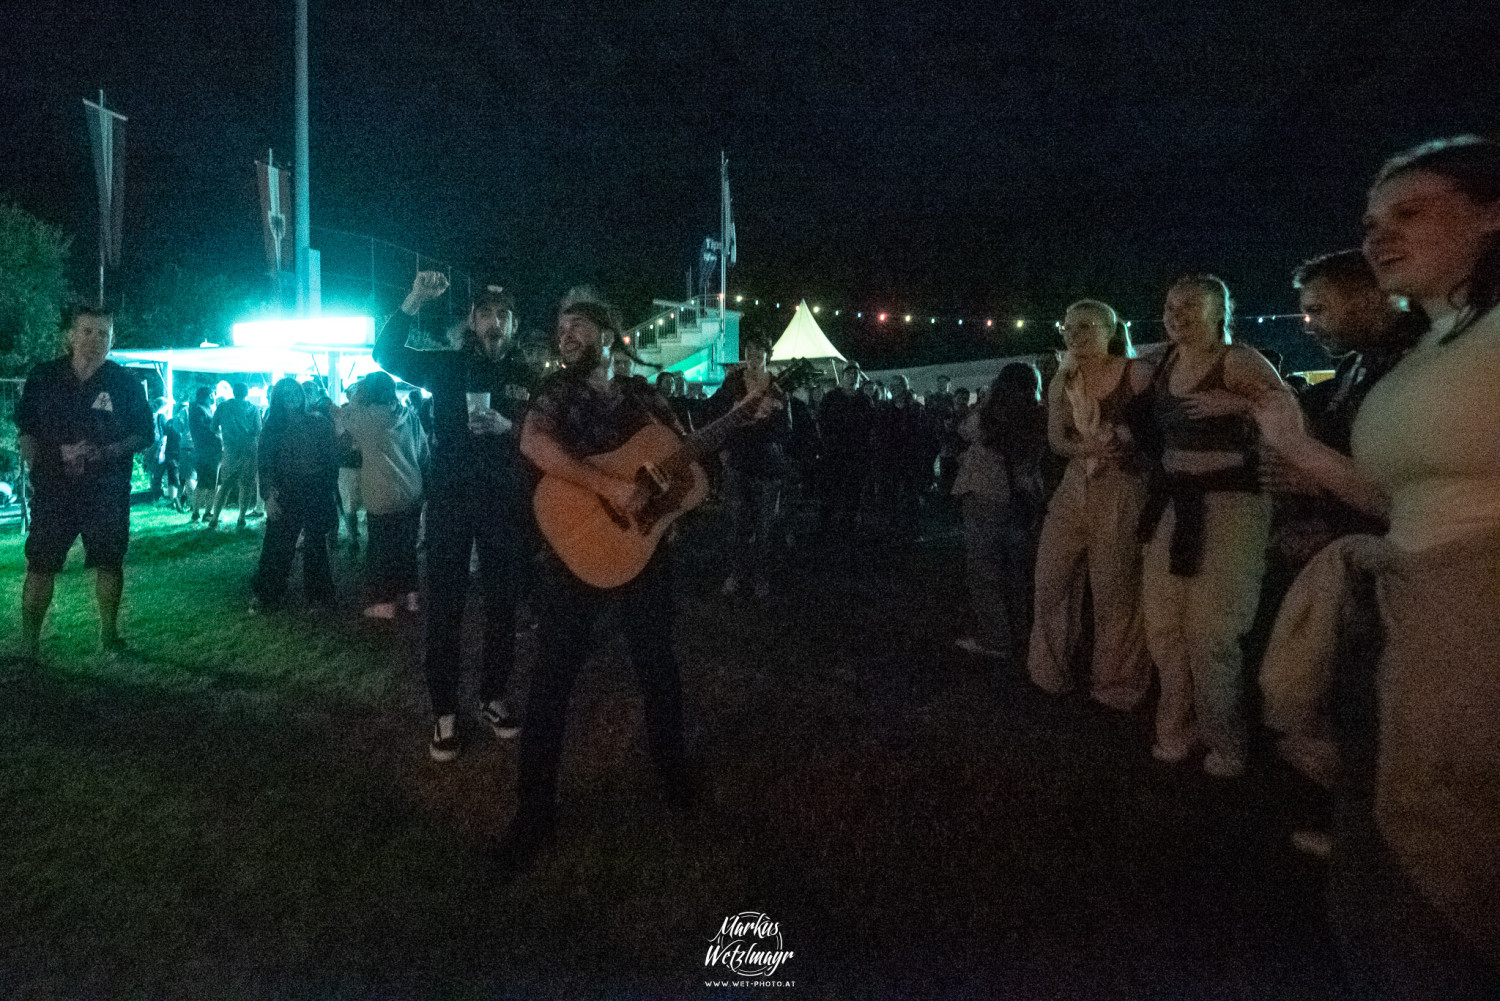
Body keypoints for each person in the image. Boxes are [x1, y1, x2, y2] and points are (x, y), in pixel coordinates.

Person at [1255, 136, 1500, 998]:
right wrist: (1298, 449)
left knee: (1444, 878)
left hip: (1478, 630)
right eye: (1370, 222)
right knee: (1379, 877)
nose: (1379, 235)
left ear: (1490, 214)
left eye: (1410, 211)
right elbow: (1408, 500)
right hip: (1401, 621)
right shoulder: (1435, 347)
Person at [495, 292, 778, 876]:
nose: (565, 333)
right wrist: (607, 486)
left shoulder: (645, 399)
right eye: (560, 324)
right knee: (551, 683)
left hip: (641, 553)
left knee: (659, 670)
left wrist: (742, 418)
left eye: (577, 323)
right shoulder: (557, 395)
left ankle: (675, 782)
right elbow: (534, 445)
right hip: (573, 550)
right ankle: (533, 814)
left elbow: (685, 462)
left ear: (607, 331)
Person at [373, 271, 535, 761]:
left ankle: (492, 696)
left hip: (504, 505)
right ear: (471, 321)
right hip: (449, 504)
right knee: (445, 607)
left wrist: (511, 426)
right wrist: (413, 300)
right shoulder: (447, 366)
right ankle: (444, 709)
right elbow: (386, 356)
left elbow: (542, 436)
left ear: (512, 325)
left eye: (502, 315)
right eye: (485, 314)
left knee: (502, 605)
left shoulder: (526, 377)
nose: (494, 322)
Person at [1138, 274, 1291, 778]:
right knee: (1163, 628)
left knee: (1212, 633)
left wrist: (1244, 403)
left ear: (1219, 313)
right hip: (1172, 506)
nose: (1175, 315)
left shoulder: (1239, 361)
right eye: (1170, 306)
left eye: (1189, 308)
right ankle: (1175, 729)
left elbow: (1292, 415)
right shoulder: (1162, 362)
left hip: (1231, 504)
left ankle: (1227, 742)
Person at [1027, 300, 1153, 710]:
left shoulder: (1137, 373)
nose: (1076, 336)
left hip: (1122, 488)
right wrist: (1089, 447)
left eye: (1087, 328)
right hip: (1074, 487)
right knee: (1050, 581)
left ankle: (1117, 685)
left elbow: (1161, 433)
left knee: (1115, 592)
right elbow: (1056, 440)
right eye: (1070, 328)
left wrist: (1129, 447)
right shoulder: (1064, 379)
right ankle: (1049, 672)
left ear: (1111, 331)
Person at [15, 304, 153, 660]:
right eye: (87, 332)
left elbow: (144, 434)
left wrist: (105, 452)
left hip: (106, 491)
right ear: (70, 336)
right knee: (41, 564)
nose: (95, 340)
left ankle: (109, 634)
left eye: (103, 333)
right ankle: (29, 642)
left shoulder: (124, 382)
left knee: (109, 562)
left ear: (112, 339)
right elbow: (26, 432)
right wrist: (46, 459)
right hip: (53, 492)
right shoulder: (43, 378)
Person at [952, 362, 1048, 663]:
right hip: (1021, 499)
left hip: (985, 496)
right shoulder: (1039, 414)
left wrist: (987, 399)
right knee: (1017, 571)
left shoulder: (992, 414)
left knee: (984, 570)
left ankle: (996, 638)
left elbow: (964, 428)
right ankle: (1022, 633)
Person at [700, 335, 793, 597]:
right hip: (738, 461)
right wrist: (724, 443)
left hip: (767, 462)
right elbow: (713, 413)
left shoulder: (778, 385)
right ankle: (735, 575)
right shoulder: (733, 383)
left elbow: (786, 430)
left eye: (758, 352)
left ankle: (761, 577)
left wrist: (767, 417)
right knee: (736, 523)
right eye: (749, 351)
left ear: (767, 355)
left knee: (765, 525)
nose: (753, 356)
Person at [338, 372, 429, 620]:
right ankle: (411, 596)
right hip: (412, 490)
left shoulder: (365, 418)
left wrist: (357, 396)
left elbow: (344, 416)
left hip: (382, 494)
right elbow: (424, 452)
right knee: (406, 547)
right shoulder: (408, 414)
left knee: (381, 550)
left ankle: (385, 603)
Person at [250, 378, 338, 613]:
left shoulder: (317, 423)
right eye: (285, 393)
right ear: (278, 397)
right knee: (277, 543)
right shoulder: (272, 428)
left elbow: (330, 458)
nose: (291, 397)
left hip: (315, 488)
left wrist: (328, 488)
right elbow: (265, 463)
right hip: (286, 489)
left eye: (295, 392)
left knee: (315, 545)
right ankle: (268, 592)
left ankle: (319, 596)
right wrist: (268, 495)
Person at [818, 364, 873, 538]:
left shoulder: (864, 400)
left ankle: (848, 524)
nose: (852, 376)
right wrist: (826, 443)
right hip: (835, 453)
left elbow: (871, 426)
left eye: (855, 373)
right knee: (832, 489)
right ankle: (826, 524)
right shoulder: (831, 397)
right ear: (843, 376)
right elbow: (821, 421)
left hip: (856, 453)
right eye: (849, 373)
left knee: (853, 490)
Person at [207, 381, 262, 530]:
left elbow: (212, 427)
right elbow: (258, 430)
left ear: (233, 392)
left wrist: (224, 434)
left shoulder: (223, 407)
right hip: (250, 451)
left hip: (230, 450)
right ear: (247, 393)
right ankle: (241, 517)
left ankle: (215, 518)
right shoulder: (253, 409)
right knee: (246, 485)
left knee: (225, 486)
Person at [186, 385, 221, 523]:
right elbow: (203, 431)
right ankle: (203, 513)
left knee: (208, 483)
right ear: (206, 396)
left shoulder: (201, 409)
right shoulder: (198, 410)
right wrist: (218, 433)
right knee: (207, 484)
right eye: (212, 394)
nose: (214, 397)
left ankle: (201, 513)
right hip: (207, 452)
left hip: (208, 451)